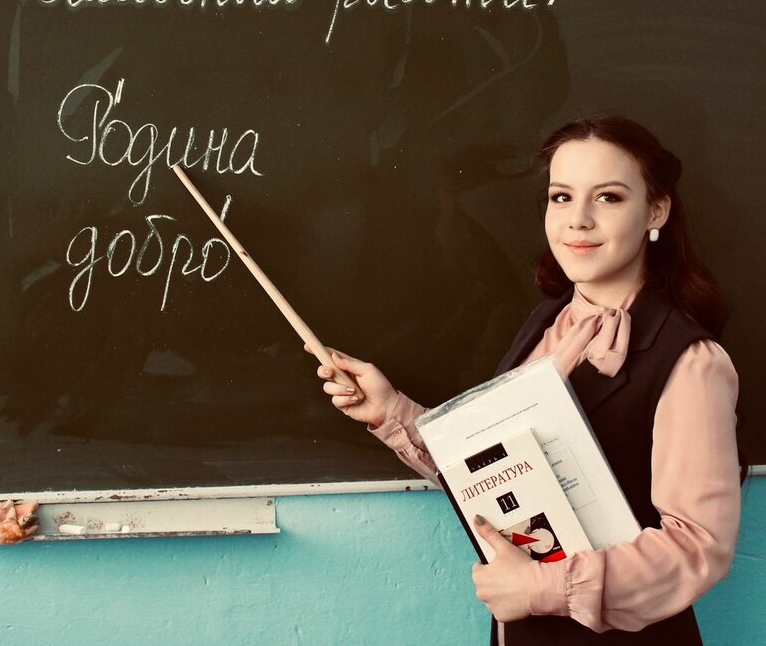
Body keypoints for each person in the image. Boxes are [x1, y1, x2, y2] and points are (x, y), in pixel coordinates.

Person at [314, 116, 742, 644]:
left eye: (608, 197)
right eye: (562, 197)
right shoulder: (545, 323)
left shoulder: (694, 362)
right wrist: (391, 412)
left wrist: (544, 588)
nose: (578, 220)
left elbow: (699, 547)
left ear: (656, 211)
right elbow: (499, 468)